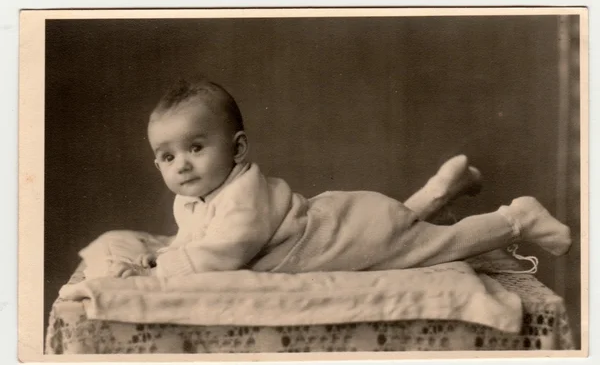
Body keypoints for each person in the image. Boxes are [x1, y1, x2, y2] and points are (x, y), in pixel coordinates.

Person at [108, 78, 571, 278]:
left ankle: (518, 219)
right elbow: (194, 238)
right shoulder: (193, 199)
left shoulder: (243, 194)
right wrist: (162, 256)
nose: (182, 165)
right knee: (402, 230)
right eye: (167, 157)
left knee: (428, 246)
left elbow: (227, 250)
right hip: (346, 221)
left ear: (238, 149)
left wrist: (163, 270)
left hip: (340, 232)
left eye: (195, 147)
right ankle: (440, 190)